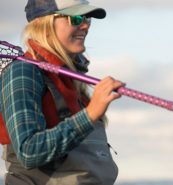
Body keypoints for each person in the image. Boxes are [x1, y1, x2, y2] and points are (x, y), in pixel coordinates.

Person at [0, 0, 123, 184]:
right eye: (76, 18)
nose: (85, 26)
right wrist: (90, 115)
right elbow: (28, 151)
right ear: (45, 24)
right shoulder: (23, 72)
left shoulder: (73, 80)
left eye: (87, 18)